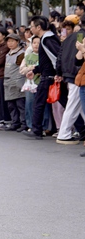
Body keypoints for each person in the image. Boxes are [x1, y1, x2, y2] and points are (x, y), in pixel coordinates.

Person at [25, 16, 61, 140]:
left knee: (38, 104)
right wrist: (35, 70)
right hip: (50, 76)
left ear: (38, 27)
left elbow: (57, 57)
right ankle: (81, 129)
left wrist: (59, 73)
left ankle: (37, 130)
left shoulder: (47, 40)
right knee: (66, 104)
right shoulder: (47, 38)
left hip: (50, 78)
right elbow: (47, 61)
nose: (30, 29)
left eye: (32, 26)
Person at [55, 16, 83, 144]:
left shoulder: (71, 37)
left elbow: (60, 55)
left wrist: (59, 72)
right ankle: (64, 134)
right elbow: (79, 56)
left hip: (70, 74)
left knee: (79, 106)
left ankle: (65, 133)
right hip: (77, 75)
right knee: (73, 105)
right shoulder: (79, 37)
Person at [3, 34, 26, 132]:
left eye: (12, 41)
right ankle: (15, 122)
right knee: (11, 105)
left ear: (17, 42)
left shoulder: (21, 54)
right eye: (8, 41)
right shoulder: (8, 54)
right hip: (8, 82)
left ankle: (23, 123)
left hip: (17, 82)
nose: (10, 43)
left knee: (20, 105)